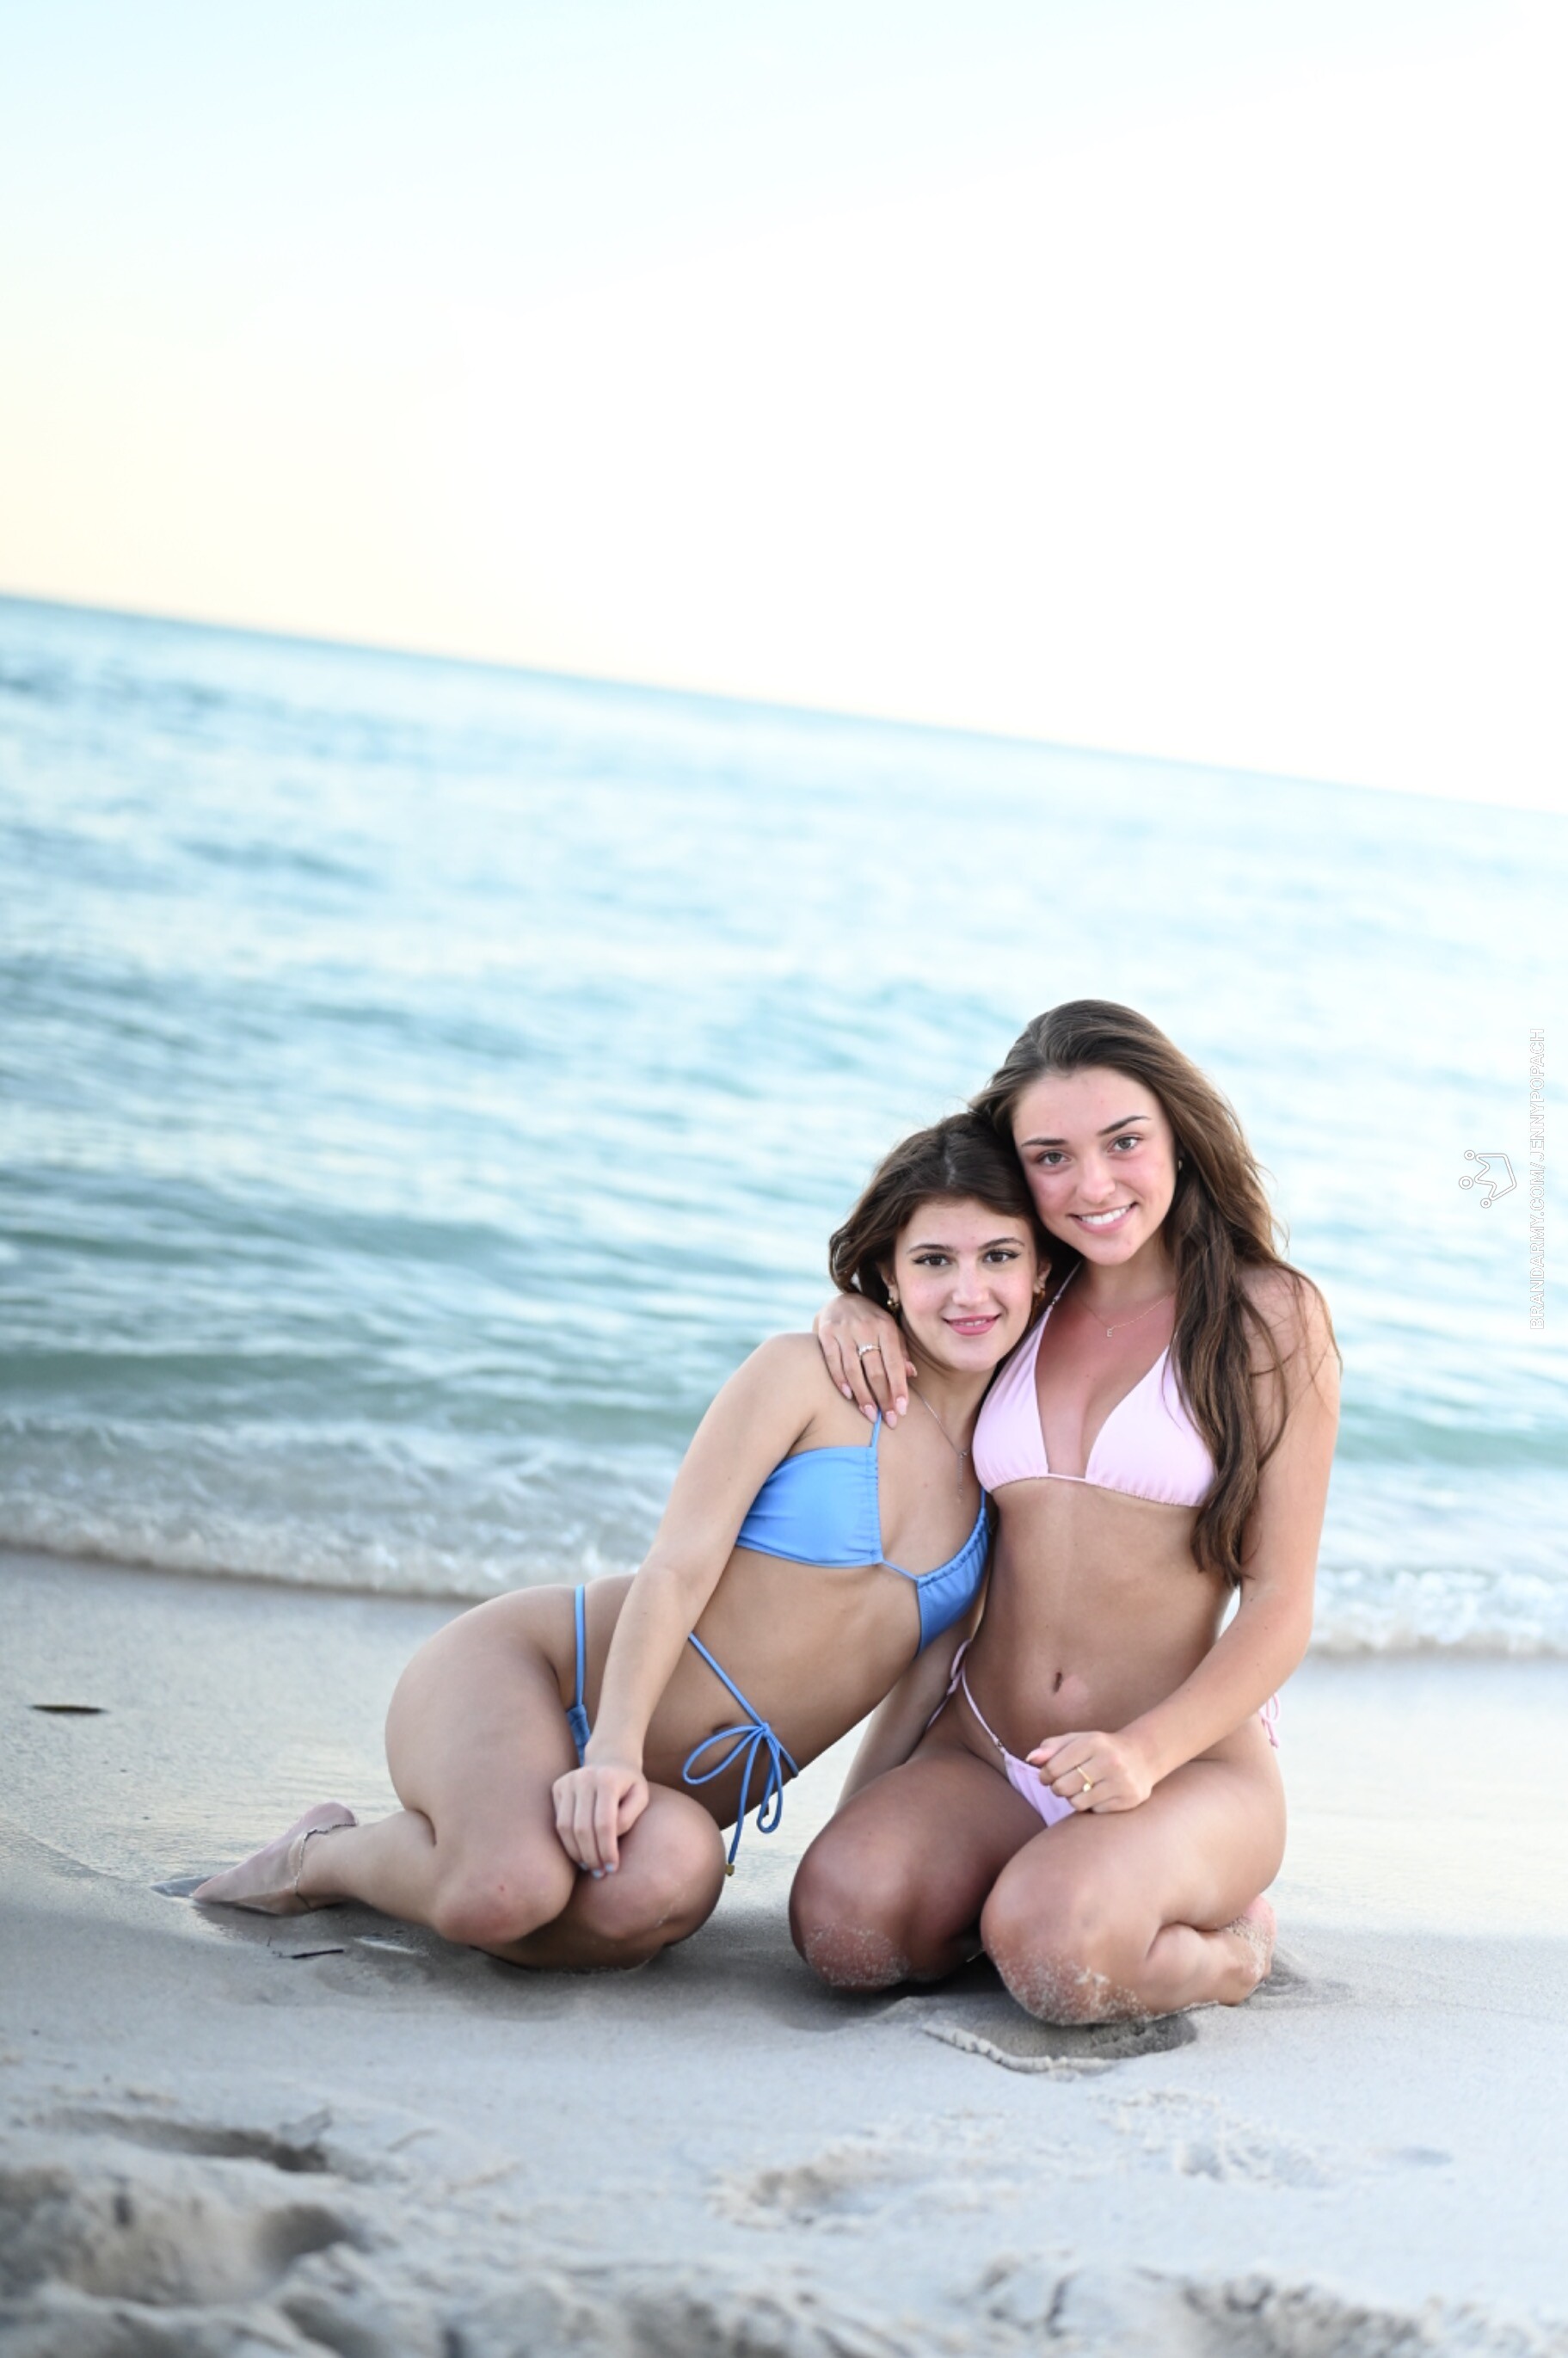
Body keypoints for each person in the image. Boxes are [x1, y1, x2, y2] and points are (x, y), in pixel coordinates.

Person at [194, 1114, 1047, 1972]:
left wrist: (845, 1840)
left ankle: (484, 1852)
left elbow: (923, 1683)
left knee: (668, 1881)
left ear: (1040, 1268)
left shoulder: (1009, 1472)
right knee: (503, 1892)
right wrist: (609, 1748)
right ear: (888, 1272)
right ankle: (320, 1854)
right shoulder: (805, 1376)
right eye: (932, 1259)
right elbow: (676, 1566)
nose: (966, 1290)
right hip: (539, 1675)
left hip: (672, 1801)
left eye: (997, 1255)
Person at [793, 1000, 1339, 2023]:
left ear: (1178, 1134)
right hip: (984, 1743)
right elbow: (925, 1261)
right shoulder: (1016, 1299)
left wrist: (1142, 1755)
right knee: (842, 1927)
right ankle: (1028, 1889)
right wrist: (853, 1302)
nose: (1091, 1184)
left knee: (1054, 1955)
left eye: (1122, 1141)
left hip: (1176, 1766)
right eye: (1050, 1156)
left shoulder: (1266, 1315)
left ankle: (1223, 1949)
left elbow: (1279, 1601)